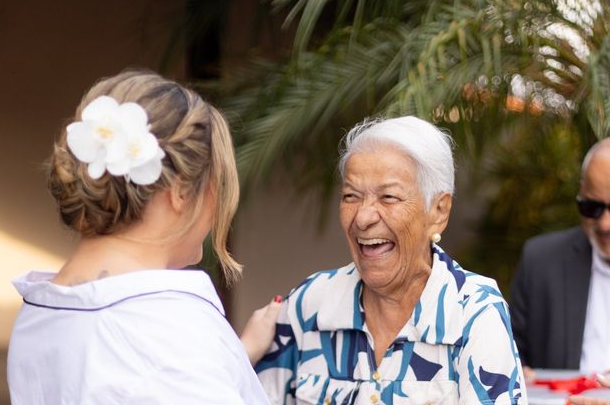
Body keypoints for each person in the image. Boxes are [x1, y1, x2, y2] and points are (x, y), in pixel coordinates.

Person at [7, 70, 270, 404]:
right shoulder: (169, 336)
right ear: (180, 193)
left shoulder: (43, 310)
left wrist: (234, 359)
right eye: (214, 183)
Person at [254, 116, 527, 404]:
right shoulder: (310, 304)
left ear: (438, 212)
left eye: (388, 197)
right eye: (351, 195)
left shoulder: (473, 313)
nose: (363, 217)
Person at [510, 139, 610, 375]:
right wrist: (514, 369)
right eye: (592, 208)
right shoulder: (541, 260)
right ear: (581, 192)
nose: (605, 224)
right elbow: (509, 346)